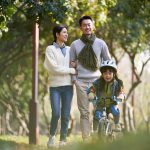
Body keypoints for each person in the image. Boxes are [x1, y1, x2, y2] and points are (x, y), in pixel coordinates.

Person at [70, 15, 111, 141]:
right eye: (84, 25)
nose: (87, 27)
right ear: (81, 27)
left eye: (89, 24)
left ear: (93, 26)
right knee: (84, 113)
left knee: (98, 110)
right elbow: (71, 64)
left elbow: (108, 62)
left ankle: (98, 135)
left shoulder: (101, 43)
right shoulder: (75, 44)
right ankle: (86, 140)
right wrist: (74, 80)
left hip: (97, 82)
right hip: (81, 82)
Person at [44, 25, 76, 147]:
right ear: (57, 34)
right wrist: (71, 70)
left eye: (67, 32)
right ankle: (52, 136)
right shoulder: (50, 49)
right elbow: (53, 69)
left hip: (68, 86)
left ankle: (63, 140)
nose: (66, 34)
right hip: (55, 86)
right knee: (56, 113)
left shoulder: (70, 49)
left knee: (66, 114)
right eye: (64, 32)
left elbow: (75, 64)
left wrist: (74, 68)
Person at [88, 60, 125, 132]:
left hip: (112, 103)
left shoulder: (118, 83)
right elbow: (92, 89)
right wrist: (91, 94)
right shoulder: (98, 82)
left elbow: (121, 92)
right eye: (105, 73)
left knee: (115, 110)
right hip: (101, 104)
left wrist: (120, 96)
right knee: (97, 114)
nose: (107, 75)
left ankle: (117, 124)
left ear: (114, 74)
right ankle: (95, 130)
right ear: (102, 74)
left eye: (110, 73)